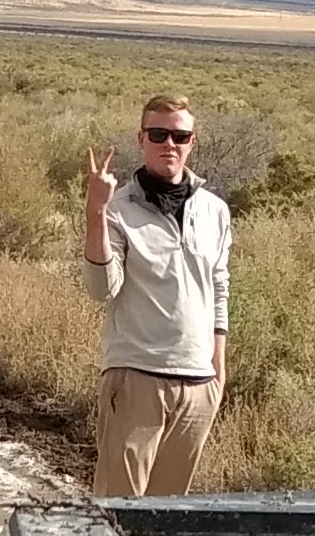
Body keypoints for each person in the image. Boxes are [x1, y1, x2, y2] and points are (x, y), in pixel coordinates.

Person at [81, 93, 232, 497]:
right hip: (136, 378)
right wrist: (95, 212)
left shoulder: (214, 210)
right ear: (141, 139)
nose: (170, 144)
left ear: (192, 142)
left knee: (167, 517)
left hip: (198, 385)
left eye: (179, 136)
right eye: (159, 134)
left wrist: (218, 367)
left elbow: (219, 285)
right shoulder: (118, 209)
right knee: (118, 512)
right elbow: (101, 288)